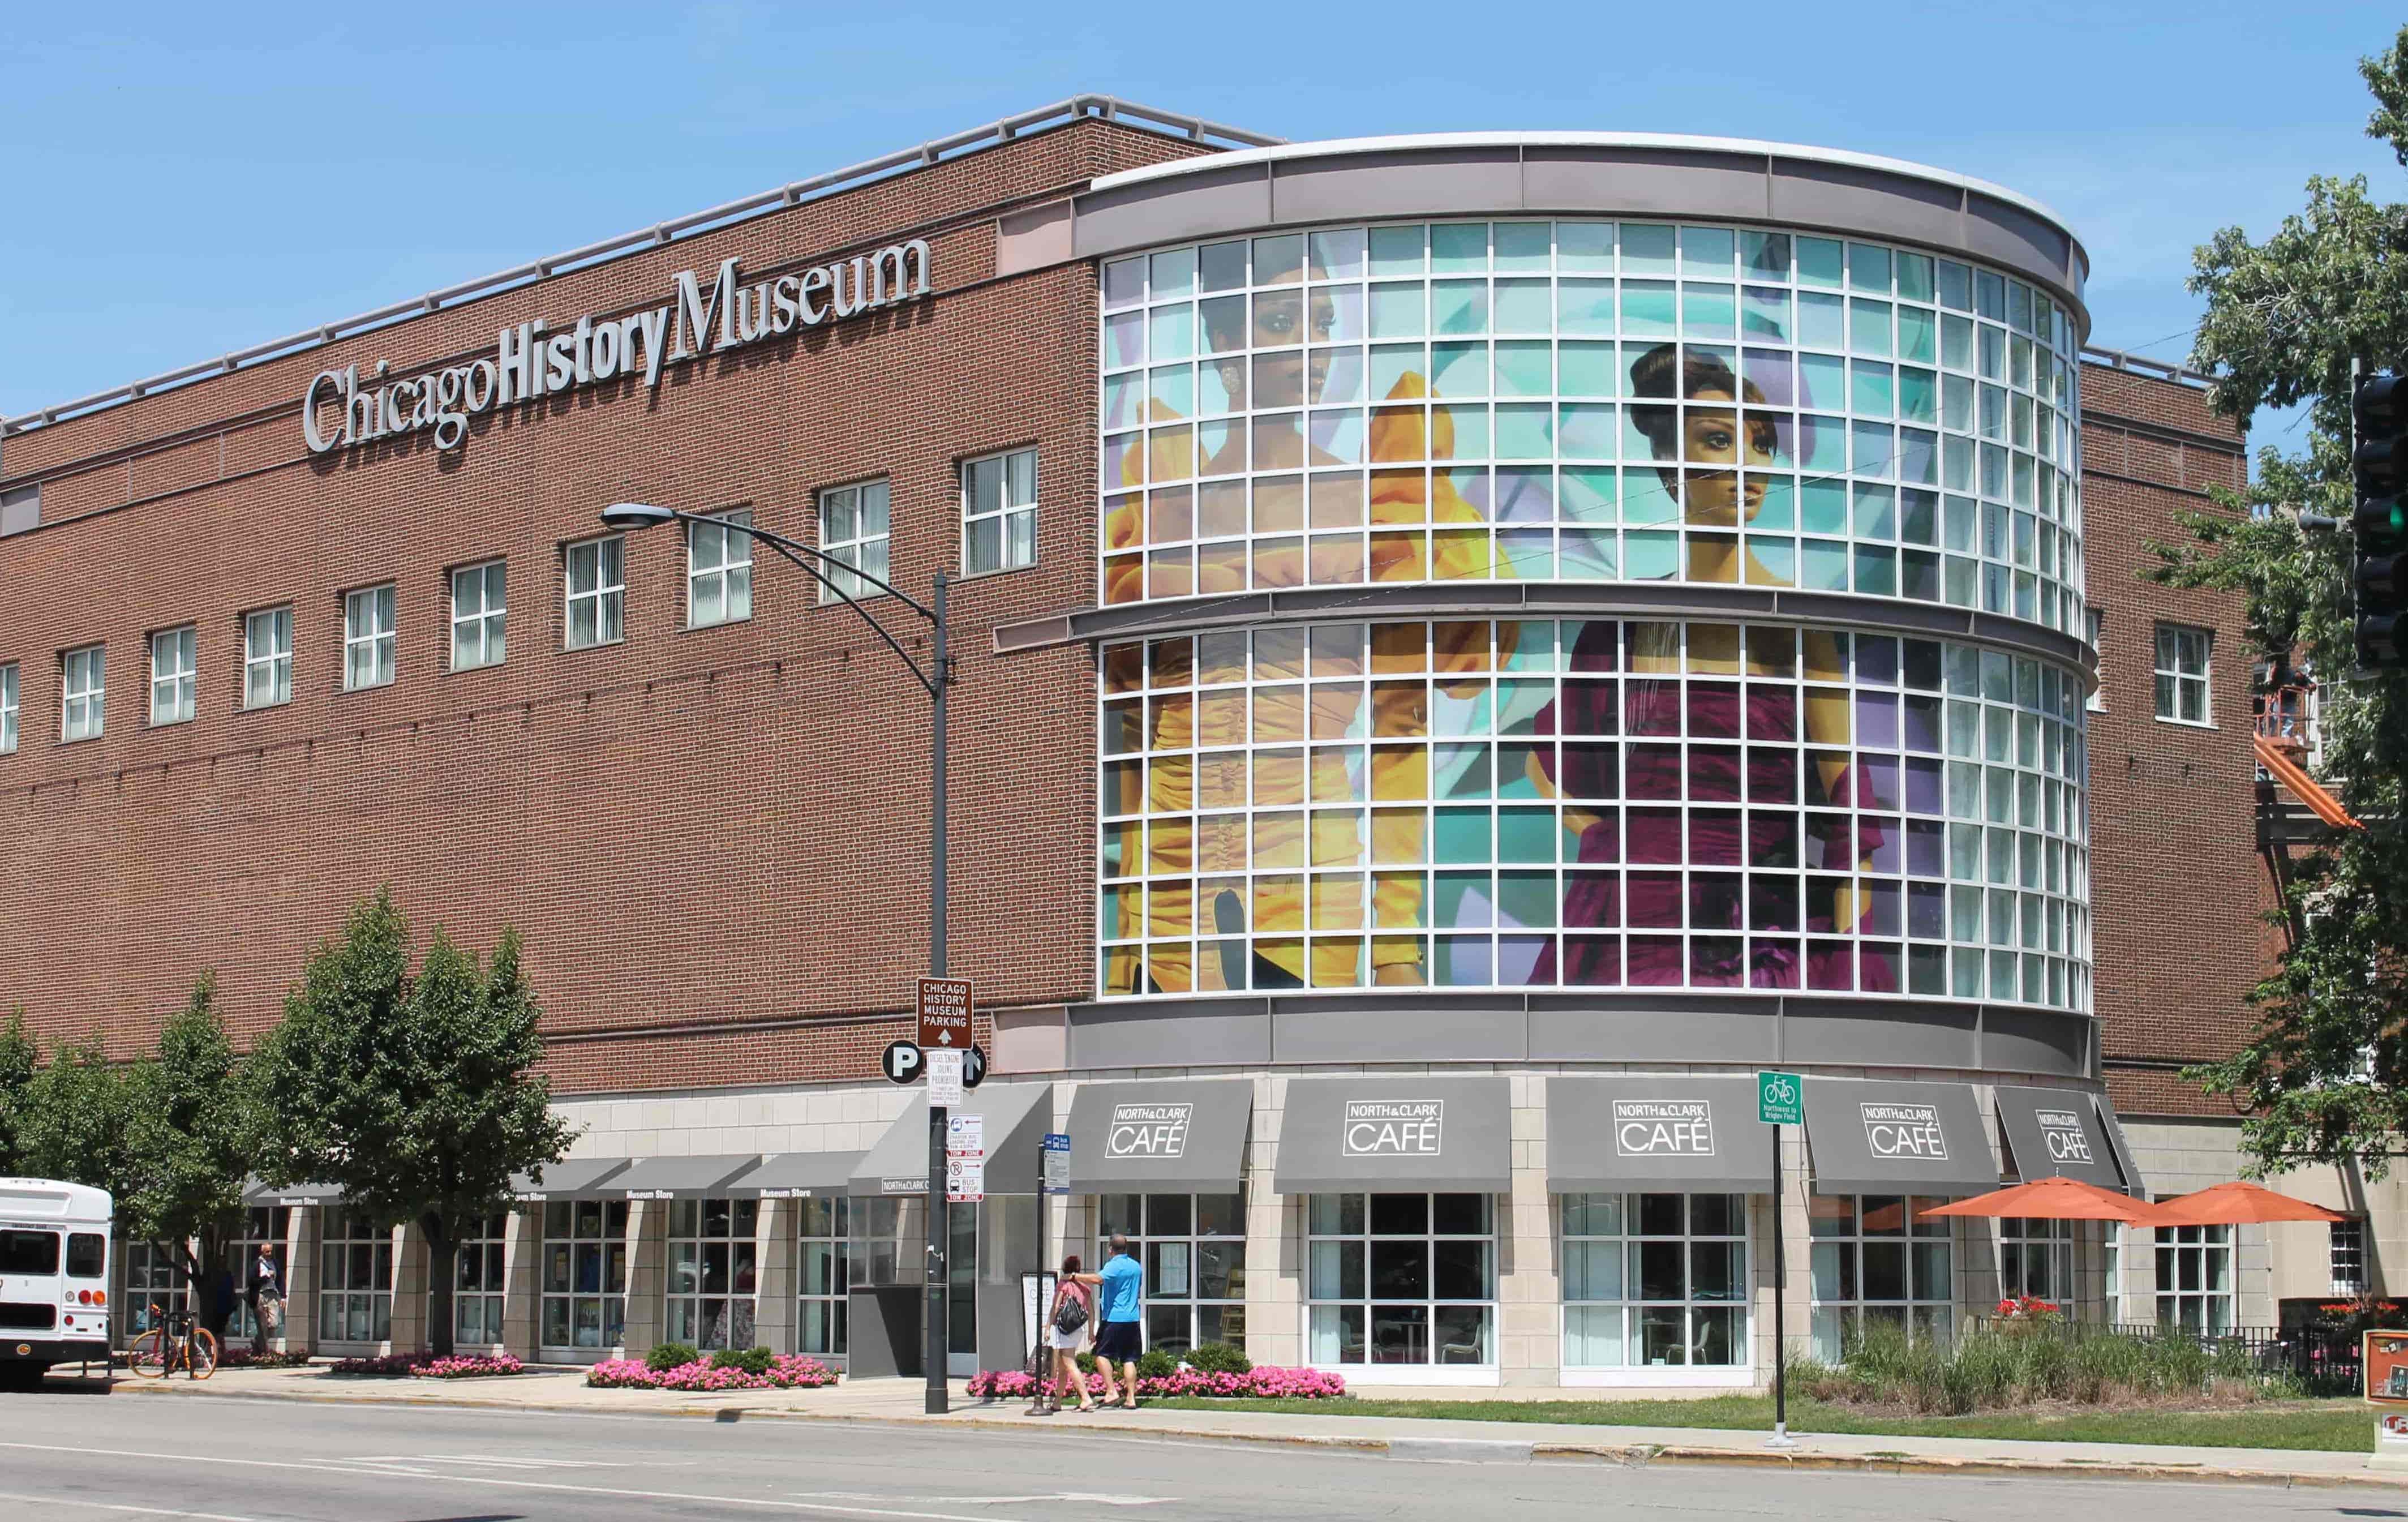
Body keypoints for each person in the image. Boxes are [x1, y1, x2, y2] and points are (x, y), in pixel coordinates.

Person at [1033, 1254, 1097, 1416]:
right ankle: (1057, 1402)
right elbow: (1091, 1311)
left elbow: (1055, 1308)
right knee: (1063, 1368)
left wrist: (1048, 1328)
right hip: (1077, 1329)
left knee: (1069, 1363)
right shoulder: (1084, 1288)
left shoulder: (1063, 1285)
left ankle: (1085, 1397)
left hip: (1064, 1329)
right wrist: (1091, 1331)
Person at [1091, 1233, 1145, 1409]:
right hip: (1133, 1318)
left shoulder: (1114, 1265)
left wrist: (1075, 1276)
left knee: (1101, 1355)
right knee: (1129, 1359)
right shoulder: (1136, 1267)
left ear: (1110, 1250)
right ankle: (1131, 1398)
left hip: (1115, 1318)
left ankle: (1111, 1391)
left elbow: (1098, 1279)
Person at [250, 1245, 282, 1357]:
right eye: (267, 1252)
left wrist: (283, 1296)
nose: (269, 1253)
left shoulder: (275, 1263)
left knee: (274, 1324)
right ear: (262, 1252)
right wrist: (267, 1276)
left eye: (271, 1251)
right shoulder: (257, 1264)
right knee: (262, 1325)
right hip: (261, 1295)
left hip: (273, 1294)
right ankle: (264, 1351)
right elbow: (252, 1280)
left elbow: (280, 1280)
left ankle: (258, 1341)